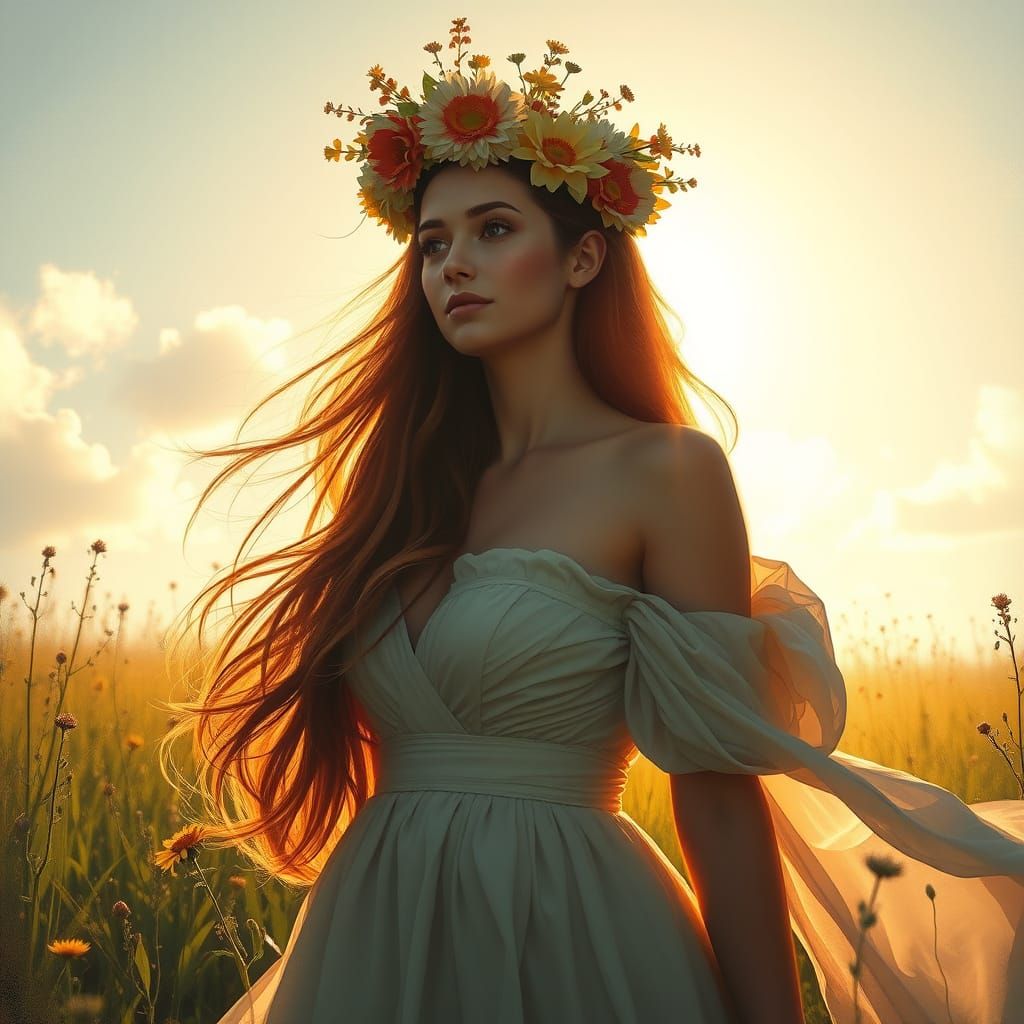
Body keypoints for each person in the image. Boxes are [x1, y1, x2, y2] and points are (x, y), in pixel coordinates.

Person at [163, 19, 1024, 1024]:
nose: (451, 266)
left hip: (564, 924)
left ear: (581, 260)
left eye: (492, 229)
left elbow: (711, 782)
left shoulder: (664, 470)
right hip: (372, 928)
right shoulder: (403, 486)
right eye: (432, 243)